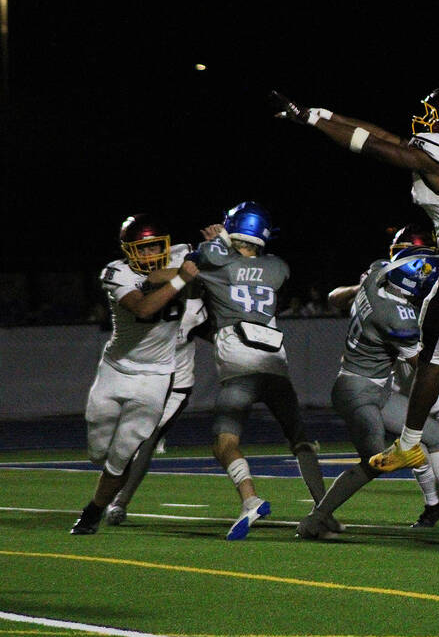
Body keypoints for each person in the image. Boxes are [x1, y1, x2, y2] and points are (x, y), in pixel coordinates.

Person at [273, 87, 439, 498]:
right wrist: (321, 111)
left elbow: (382, 150)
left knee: (432, 360)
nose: (426, 118)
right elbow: (389, 139)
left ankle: (406, 444)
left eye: (435, 112)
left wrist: (314, 122)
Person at [297, 246, 439, 537]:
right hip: (358, 392)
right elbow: (424, 368)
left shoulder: (376, 276)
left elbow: (362, 284)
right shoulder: (397, 317)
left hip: (374, 389)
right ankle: (316, 518)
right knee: (376, 462)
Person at [189, 201, 326, 540]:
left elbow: (193, 266)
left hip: (239, 367)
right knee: (300, 440)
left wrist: (216, 243)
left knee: (224, 443)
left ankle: (250, 498)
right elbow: (251, 269)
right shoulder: (277, 267)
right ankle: (324, 507)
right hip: (276, 365)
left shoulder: (218, 263)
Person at [71, 215, 198, 534]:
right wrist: (182, 278)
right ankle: (103, 491)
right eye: (143, 248)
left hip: (156, 376)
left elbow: (213, 261)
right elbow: (143, 308)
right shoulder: (116, 272)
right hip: (116, 370)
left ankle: (94, 511)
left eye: (156, 246)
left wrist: (221, 242)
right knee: (98, 452)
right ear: (129, 251)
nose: (150, 253)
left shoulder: (181, 257)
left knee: (124, 452)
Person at [105, 291, 209, 526]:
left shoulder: (193, 308)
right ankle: (111, 496)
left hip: (176, 388)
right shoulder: (141, 305)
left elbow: (212, 331)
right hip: (146, 384)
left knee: (149, 437)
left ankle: (120, 502)